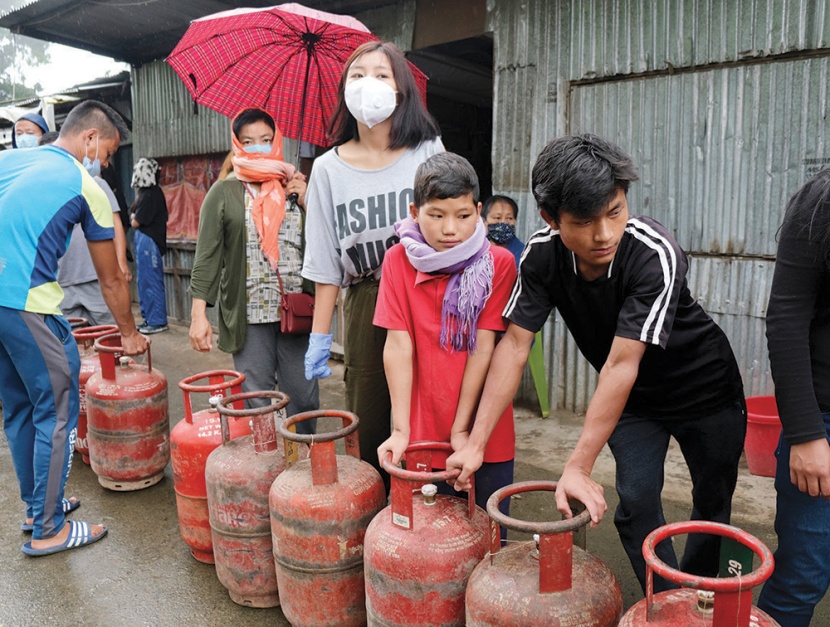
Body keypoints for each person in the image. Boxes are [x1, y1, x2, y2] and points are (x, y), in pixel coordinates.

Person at [446, 134, 746, 592]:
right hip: (635, 401)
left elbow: (623, 362)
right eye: (585, 222)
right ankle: (665, 600)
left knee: (712, 501)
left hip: (706, 390)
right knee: (637, 500)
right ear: (551, 217)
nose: (604, 234)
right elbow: (514, 346)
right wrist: (475, 442)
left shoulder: (652, 251)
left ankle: (699, 599)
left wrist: (579, 464)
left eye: (615, 212)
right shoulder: (542, 256)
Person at [0, 99, 148, 556]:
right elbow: (112, 277)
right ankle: (49, 529)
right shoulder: (86, 185)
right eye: (107, 154)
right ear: (89, 138)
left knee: (20, 408)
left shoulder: (10, 159)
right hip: (29, 305)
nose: (105, 163)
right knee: (57, 413)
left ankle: (36, 507)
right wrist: (129, 333)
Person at [302, 40, 443, 485]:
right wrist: (319, 337)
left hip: (429, 292)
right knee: (370, 413)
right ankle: (378, 511)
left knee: (433, 405)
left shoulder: (427, 151)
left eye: (382, 75)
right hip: (367, 299)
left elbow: (453, 224)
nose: (369, 85)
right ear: (344, 90)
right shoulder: (327, 168)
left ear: (402, 90)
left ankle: (436, 508)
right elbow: (325, 261)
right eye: (357, 75)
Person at [375, 152, 516, 512]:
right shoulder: (396, 261)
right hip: (420, 430)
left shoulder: (498, 263)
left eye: (464, 216)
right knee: (426, 545)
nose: (450, 229)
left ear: (479, 210)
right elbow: (398, 345)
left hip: (483, 429)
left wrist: (462, 430)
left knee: (486, 536)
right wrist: (401, 429)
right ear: (413, 212)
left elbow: (482, 348)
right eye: (436, 216)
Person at [189, 108, 318, 429]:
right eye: (248, 141)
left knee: (303, 398)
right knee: (258, 400)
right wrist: (198, 314)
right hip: (249, 315)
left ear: (277, 142)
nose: (257, 147)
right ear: (237, 144)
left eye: (265, 140)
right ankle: (264, 470)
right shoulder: (224, 192)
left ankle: (302, 468)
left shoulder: (295, 187)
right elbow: (207, 256)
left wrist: (308, 202)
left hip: (296, 311)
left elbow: (325, 243)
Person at [756, 170, 830, 626]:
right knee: (803, 571)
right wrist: (806, 435)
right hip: (822, 424)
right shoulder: (819, 204)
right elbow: (785, 321)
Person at [41, 132, 132, 325]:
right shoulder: (41, 190)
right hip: (61, 280)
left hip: (96, 278)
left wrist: (121, 263)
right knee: (72, 343)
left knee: (110, 335)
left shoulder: (96, 184)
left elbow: (116, 223)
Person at [130, 158, 169, 334]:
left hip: (149, 242)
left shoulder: (151, 194)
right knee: (145, 281)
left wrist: (133, 219)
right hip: (145, 241)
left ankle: (157, 320)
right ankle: (150, 318)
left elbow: (136, 222)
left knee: (151, 282)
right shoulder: (147, 193)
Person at [482, 194, 524, 265]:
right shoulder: (476, 249)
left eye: (509, 218)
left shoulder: (522, 253)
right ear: (485, 221)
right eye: (497, 218)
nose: (503, 222)